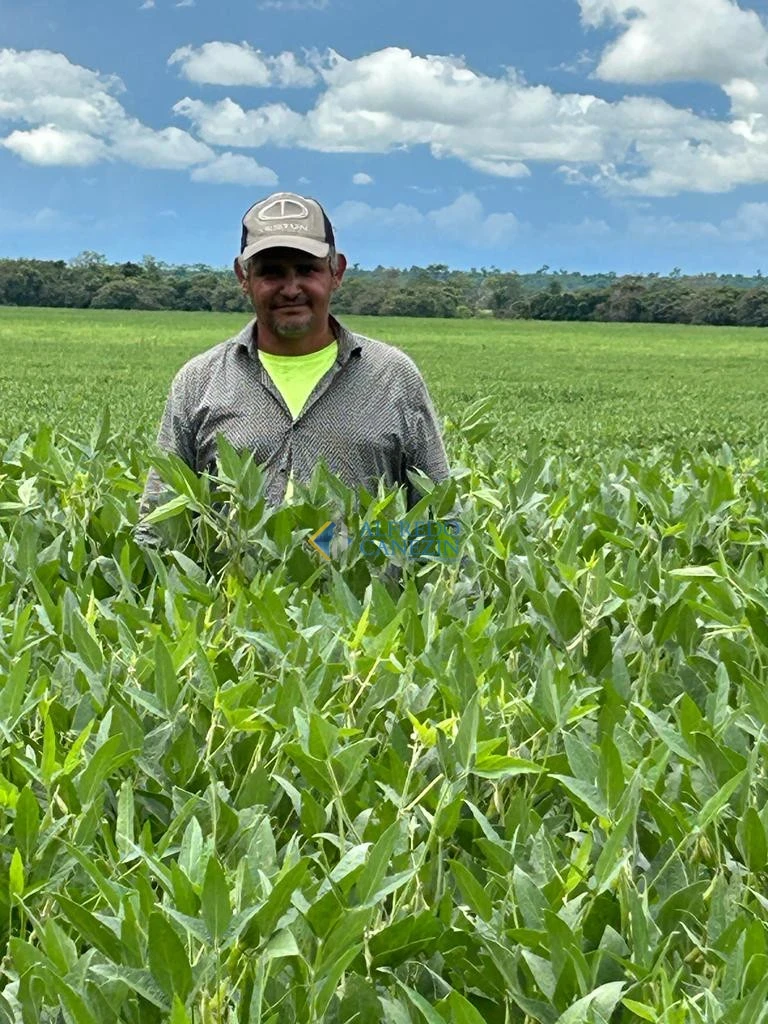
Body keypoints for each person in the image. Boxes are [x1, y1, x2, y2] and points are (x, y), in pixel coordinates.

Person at [137, 190, 450, 543]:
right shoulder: (199, 382)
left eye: (306, 269)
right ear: (243, 276)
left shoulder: (393, 377)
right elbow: (159, 529)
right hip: (230, 583)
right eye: (271, 272)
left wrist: (346, 550)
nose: (290, 289)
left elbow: (441, 524)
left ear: (336, 271)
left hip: (361, 583)